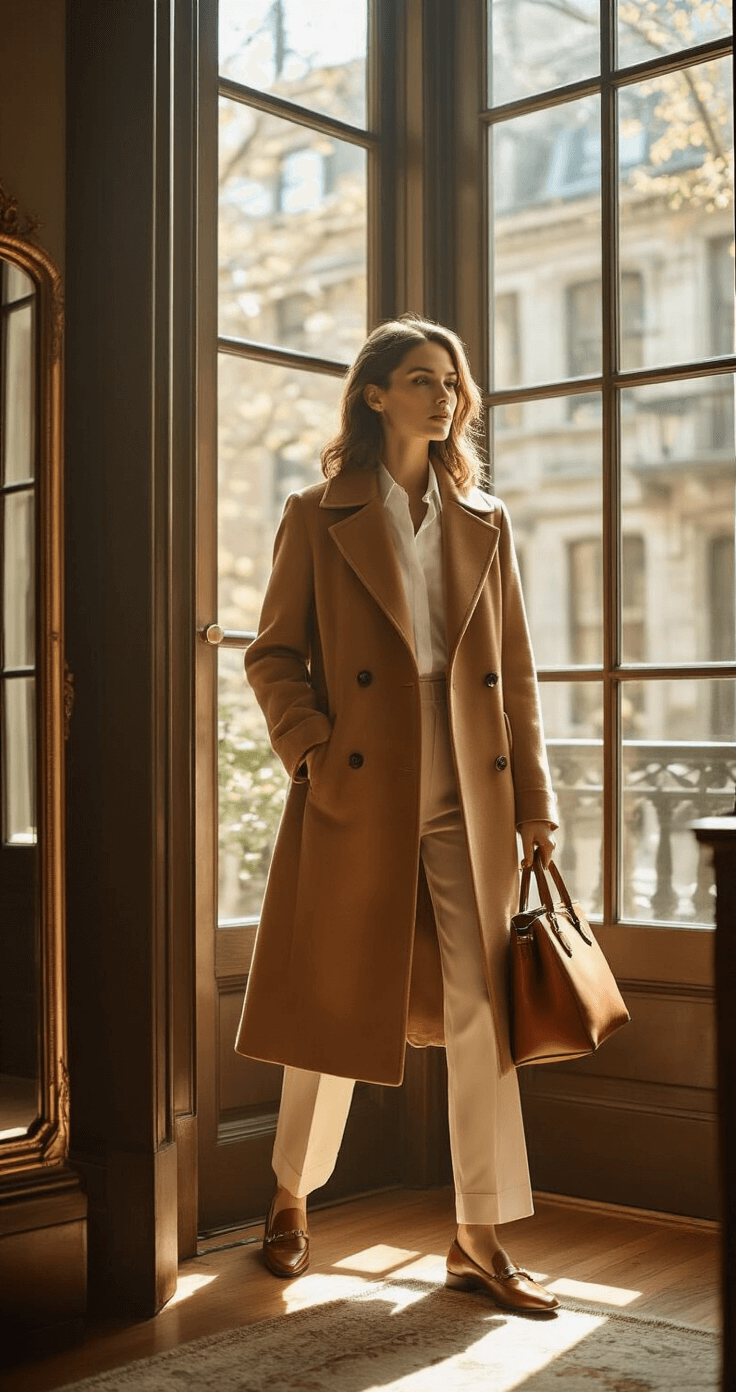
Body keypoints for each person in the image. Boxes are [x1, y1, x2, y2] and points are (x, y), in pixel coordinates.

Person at [234, 314, 560, 1315]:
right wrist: (312, 749)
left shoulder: (484, 517)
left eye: (452, 382)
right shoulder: (316, 511)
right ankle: (290, 1196)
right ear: (374, 394)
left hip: (470, 779)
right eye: (422, 378)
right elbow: (272, 653)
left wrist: (536, 803)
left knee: (481, 1007)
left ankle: (479, 1237)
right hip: (359, 777)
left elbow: (514, 672)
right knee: (333, 998)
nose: (444, 396)